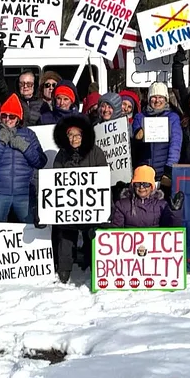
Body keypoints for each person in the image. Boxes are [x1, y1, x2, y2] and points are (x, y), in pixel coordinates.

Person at [50, 114, 108, 283]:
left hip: (91, 206)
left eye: (78, 135)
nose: (74, 139)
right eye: (70, 135)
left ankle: (93, 265)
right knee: (66, 234)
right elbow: (55, 181)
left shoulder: (96, 152)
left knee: (92, 233)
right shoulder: (61, 155)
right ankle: (64, 269)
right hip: (69, 207)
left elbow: (102, 178)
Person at [0, 97, 45, 223]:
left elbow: (40, 162)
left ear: (19, 118)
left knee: (31, 233)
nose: (7, 120)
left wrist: (25, 148)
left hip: (24, 193)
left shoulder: (29, 134)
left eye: (12, 116)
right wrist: (0, 142)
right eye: (4, 116)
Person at [134, 81, 182, 178]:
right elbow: (135, 140)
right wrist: (138, 134)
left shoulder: (173, 118)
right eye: (154, 97)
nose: (157, 100)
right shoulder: (140, 117)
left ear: (166, 99)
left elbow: (175, 144)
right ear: (149, 99)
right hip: (143, 170)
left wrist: (170, 166)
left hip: (163, 170)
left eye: (160, 97)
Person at [109, 165, 183, 227]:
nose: (141, 187)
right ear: (133, 185)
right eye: (137, 184)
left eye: (146, 184)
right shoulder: (122, 205)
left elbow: (171, 230)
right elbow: (116, 231)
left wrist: (175, 213)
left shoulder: (162, 205)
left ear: (152, 186)